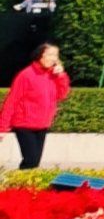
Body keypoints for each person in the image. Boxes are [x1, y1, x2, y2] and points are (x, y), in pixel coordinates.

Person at [0, 40, 69, 170]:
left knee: (34, 162)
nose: (53, 58)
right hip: (24, 124)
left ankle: (26, 187)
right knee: (30, 160)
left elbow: (62, 95)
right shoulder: (26, 75)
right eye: (49, 55)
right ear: (40, 55)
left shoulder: (53, 75)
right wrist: (2, 127)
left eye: (56, 55)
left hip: (42, 124)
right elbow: (12, 100)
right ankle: (19, 187)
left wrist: (61, 76)